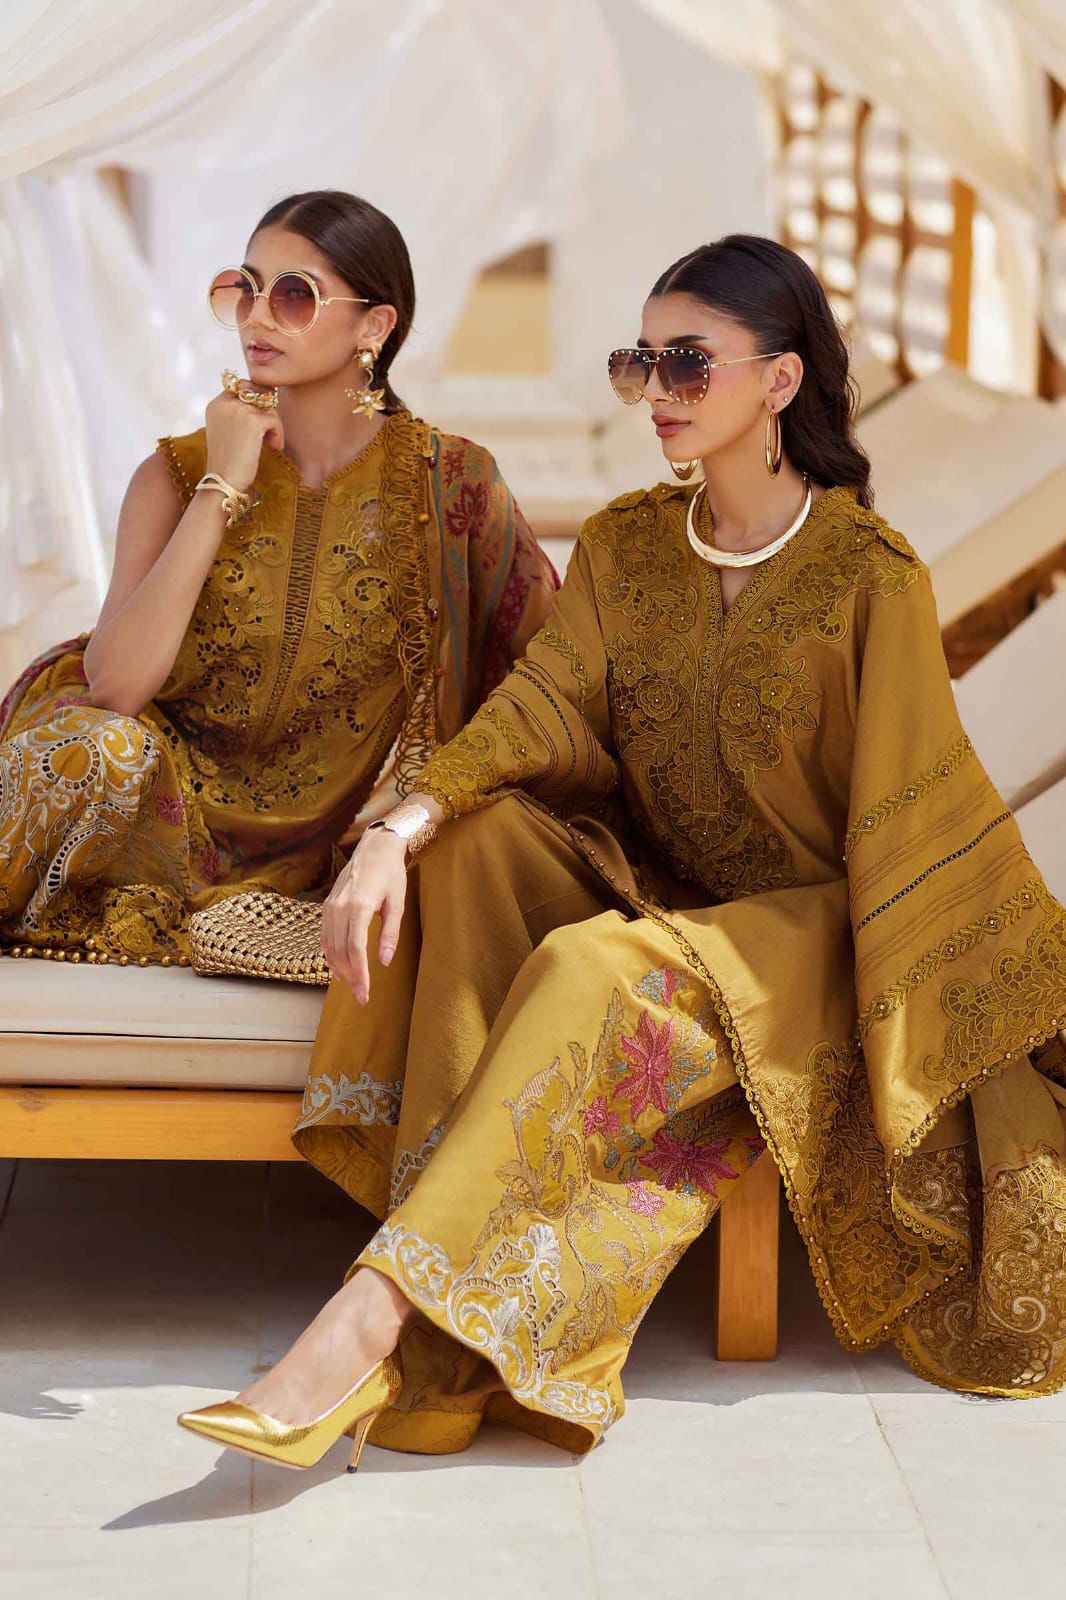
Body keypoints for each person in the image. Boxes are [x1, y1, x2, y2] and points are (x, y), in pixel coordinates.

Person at [179, 235, 1066, 1475]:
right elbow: (539, 707)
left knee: (588, 968)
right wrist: (398, 826)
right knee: (473, 842)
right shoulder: (626, 544)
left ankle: (368, 1326)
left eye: (687, 363)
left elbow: (914, 822)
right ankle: (441, 1328)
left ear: (781, 380)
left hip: (811, 938)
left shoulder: (872, 581)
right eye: (639, 361)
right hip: (662, 890)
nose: (656, 390)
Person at [0, 191, 556, 964]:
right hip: (138, 816)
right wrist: (221, 487)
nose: (258, 317)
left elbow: (544, 676)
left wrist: (407, 821)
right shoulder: (175, 473)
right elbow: (116, 687)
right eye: (246, 289)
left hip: (306, 857)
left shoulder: (450, 486)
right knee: (98, 749)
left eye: (294, 295)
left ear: (374, 325)